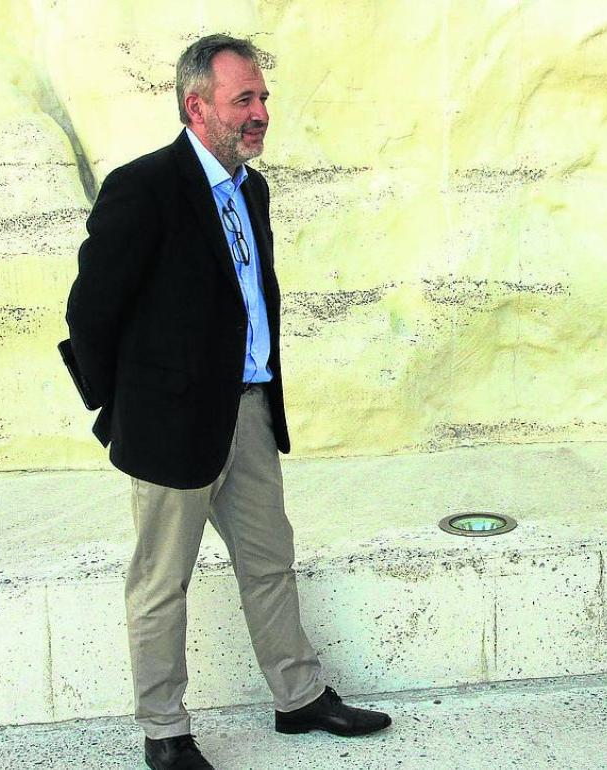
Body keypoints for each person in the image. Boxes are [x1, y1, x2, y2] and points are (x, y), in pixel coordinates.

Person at [65, 34, 390, 770]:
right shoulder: (144, 188)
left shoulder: (252, 189)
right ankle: (165, 732)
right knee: (161, 584)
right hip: (169, 428)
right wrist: (124, 412)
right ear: (197, 106)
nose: (260, 112)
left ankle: (298, 698)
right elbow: (90, 313)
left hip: (248, 413)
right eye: (244, 98)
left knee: (270, 561)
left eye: (263, 97)